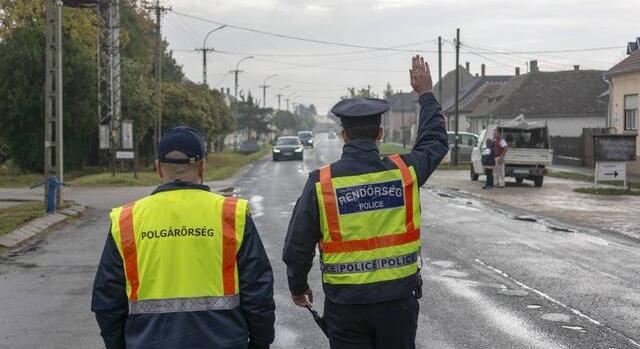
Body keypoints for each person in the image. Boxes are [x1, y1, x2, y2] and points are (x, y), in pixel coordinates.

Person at [282, 55, 448, 349]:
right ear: (380, 133)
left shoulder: (322, 183)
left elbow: (298, 245)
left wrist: (298, 286)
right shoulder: (404, 173)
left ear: (343, 135)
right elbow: (434, 141)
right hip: (398, 304)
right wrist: (426, 95)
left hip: (346, 307)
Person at [91, 126, 275, 349]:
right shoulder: (231, 215)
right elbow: (258, 293)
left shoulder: (127, 220)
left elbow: (107, 302)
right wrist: (259, 343)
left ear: (158, 168)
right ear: (203, 167)